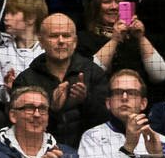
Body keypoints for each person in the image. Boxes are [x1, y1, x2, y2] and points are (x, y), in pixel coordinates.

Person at [14, 11, 107, 147]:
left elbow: (106, 121)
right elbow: (19, 124)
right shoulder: (26, 80)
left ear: (75, 41)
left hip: (90, 151)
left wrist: (85, 100)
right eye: (54, 36)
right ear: (40, 41)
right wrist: (52, 109)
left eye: (66, 36)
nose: (61, 41)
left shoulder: (93, 73)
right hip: (39, 150)